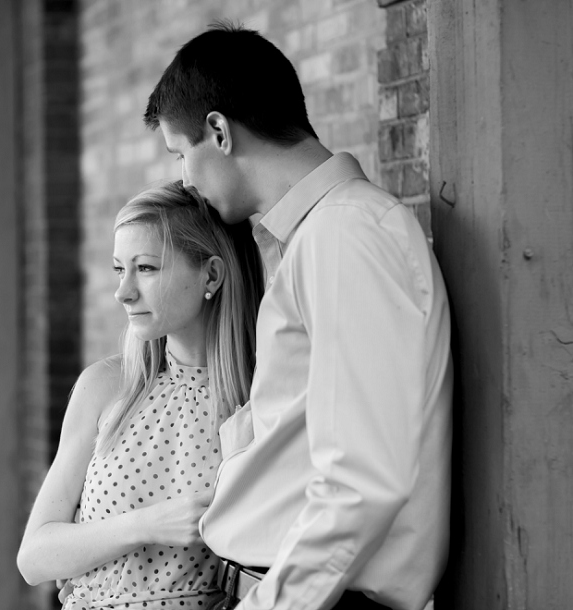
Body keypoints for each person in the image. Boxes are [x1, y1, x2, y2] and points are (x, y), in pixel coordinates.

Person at [143, 24, 453, 610]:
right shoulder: (321, 237)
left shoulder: (345, 234)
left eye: (181, 153)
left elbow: (360, 481)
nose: (184, 179)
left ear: (218, 131)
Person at [17, 180, 264, 609]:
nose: (123, 291)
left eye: (145, 268)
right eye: (119, 269)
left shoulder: (262, 396)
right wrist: (145, 525)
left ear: (211, 274)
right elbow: (34, 557)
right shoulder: (106, 386)